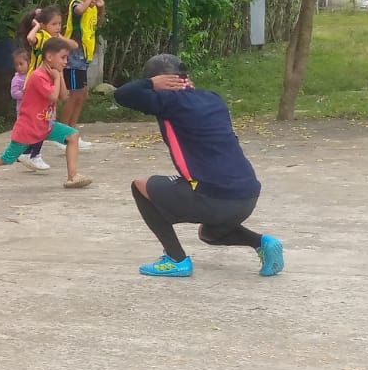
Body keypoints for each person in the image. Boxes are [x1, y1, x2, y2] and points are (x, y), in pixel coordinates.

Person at [113, 53, 284, 279]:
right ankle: (262, 243)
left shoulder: (169, 101)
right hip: (247, 195)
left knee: (140, 186)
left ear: (162, 81)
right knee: (209, 233)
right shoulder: (213, 98)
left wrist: (152, 84)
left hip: (214, 198)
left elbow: (122, 94)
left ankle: (176, 259)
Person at [0, 37, 92, 191]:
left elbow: (64, 96)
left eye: (66, 58)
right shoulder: (38, 76)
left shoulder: (53, 74)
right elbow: (53, 97)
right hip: (29, 127)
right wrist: (56, 77)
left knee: (72, 135)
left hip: (45, 124)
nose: (65, 62)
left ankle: (72, 176)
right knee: (7, 158)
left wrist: (59, 75)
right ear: (49, 57)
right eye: (63, 57)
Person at [15, 6, 63, 171]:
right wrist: (36, 26)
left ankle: (30, 152)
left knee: (43, 119)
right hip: (36, 85)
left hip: (45, 84)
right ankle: (32, 154)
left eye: (59, 24)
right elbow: (30, 38)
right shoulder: (42, 37)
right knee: (42, 119)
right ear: (43, 25)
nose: (58, 27)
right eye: (54, 24)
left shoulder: (53, 40)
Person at [61, 0, 105, 127]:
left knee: (82, 95)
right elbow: (79, 11)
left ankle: (72, 130)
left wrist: (101, 8)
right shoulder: (76, 3)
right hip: (74, 54)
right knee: (74, 95)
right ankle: (64, 132)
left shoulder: (92, 9)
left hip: (85, 54)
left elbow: (99, 23)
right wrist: (87, 1)